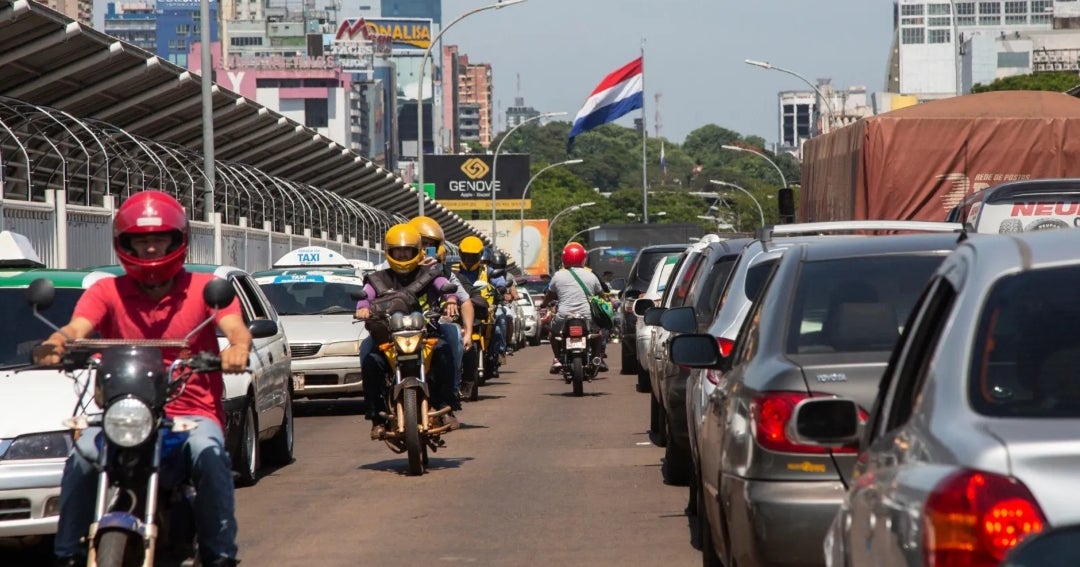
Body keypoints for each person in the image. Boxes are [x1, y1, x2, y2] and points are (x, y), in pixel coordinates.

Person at [34, 190, 251, 567]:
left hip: (190, 412)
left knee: (210, 456)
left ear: (176, 241)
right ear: (125, 243)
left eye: (158, 239)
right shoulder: (107, 291)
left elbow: (235, 328)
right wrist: (55, 343)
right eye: (141, 240)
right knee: (83, 456)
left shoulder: (205, 290)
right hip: (125, 411)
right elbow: (77, 327)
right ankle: (67, 553)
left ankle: (220, 555)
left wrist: (237, 349)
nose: (150, 249)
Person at [355, 224, 461, 439]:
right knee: (369, 360)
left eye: (407, 250)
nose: (402, 255)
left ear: (418, 251)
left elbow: (444, 286)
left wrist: (450, 300)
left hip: (426, 334)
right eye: (397, 250)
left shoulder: (430, 273)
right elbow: (365, 295)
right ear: (389, 252)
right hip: (389, 338)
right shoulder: (377, 278)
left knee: (444, 351)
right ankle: (377, 419)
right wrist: (363, 308)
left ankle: (447, 407)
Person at [409, 216, 473, 407]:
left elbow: (464, 300)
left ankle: (450, 397)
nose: (424, 250)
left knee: (453, 337)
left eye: (429, 245)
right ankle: (375, 408)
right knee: (368, 351)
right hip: (395, 328)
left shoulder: (441, 272)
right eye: (421, 244)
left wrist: (468, 332)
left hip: (430, 326)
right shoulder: (388, 269)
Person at [541, 242, 608, 373]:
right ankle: (596, 358)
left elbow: (549, 295)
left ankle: (557, 359)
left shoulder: (558, 276)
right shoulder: (591, 276)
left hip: (564, 316)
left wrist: (543, 304)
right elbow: (601, 296)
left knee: (552, 334)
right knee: (598, 334)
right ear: (583, 258)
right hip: (587, 317)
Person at [453, 236, 509, 378]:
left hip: (485, 309)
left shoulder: (487, 271)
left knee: (499, 322)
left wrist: (501, 288)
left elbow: (500, 281)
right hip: (460, 309)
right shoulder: (453, 270)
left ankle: (496, 355)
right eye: (466, 256)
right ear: (460, 255)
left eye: (473, 257)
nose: (469, 260)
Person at [487, 251, 519, 362]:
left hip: (501, 304)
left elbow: (514, 292)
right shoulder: (484, 272)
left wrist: (511, 296)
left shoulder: (508, 276)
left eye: (500, 266)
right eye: (495, 266)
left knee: (506, 318)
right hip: (486, 304)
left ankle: (504, 346)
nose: (497, 268)